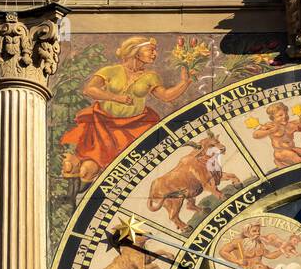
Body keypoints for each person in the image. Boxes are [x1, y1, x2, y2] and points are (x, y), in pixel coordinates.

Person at [59, 36, 197, 175]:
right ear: (136, 52)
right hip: (103, 125)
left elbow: (166, 96)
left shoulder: (151, 76)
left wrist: (185, 82)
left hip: (134, 127)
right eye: (150, 50)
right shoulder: (110, 71)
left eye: (154, 51)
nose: (155, 54)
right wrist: (116, 97)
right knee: (86, 171)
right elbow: (89, 90)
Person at [219, 221, 301, 269]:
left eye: (258, 231)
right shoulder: (238, 242)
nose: (257, 233)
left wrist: (281, 251)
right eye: (254, 231)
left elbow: (269, 255)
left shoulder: (259, 243)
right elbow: (223, 251)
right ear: (246, 233)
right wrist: (237, 261)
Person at [251, 102, 301, 168]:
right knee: (298, 160)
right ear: (272, 118)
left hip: (292, 149)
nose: (284, 116)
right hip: (280, 152)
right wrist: (270, 131)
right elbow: (255, 135)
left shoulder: (290, 125)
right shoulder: (271, 126)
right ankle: (280, 162)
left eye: (286, 114)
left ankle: (284, 164)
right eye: (280, 115)